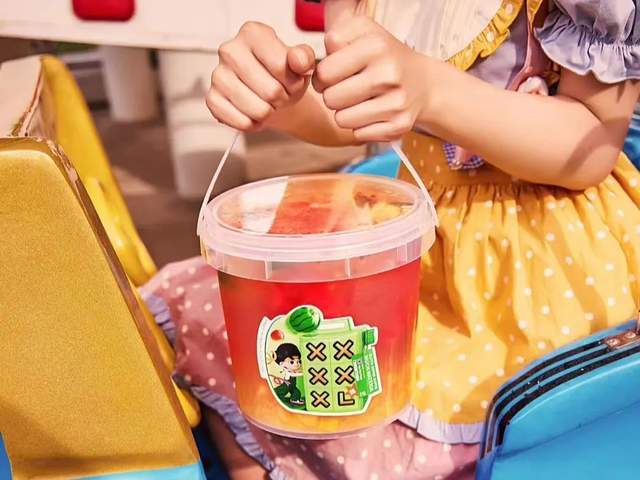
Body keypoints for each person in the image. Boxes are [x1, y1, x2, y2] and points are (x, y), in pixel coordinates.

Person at [144, 1, 640, 478]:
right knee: (226, 326)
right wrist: (286, 101)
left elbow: (593, 139)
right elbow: (351, 115)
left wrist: (433, 91)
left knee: (443, 424)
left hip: (529, 271)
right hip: (408, 239)